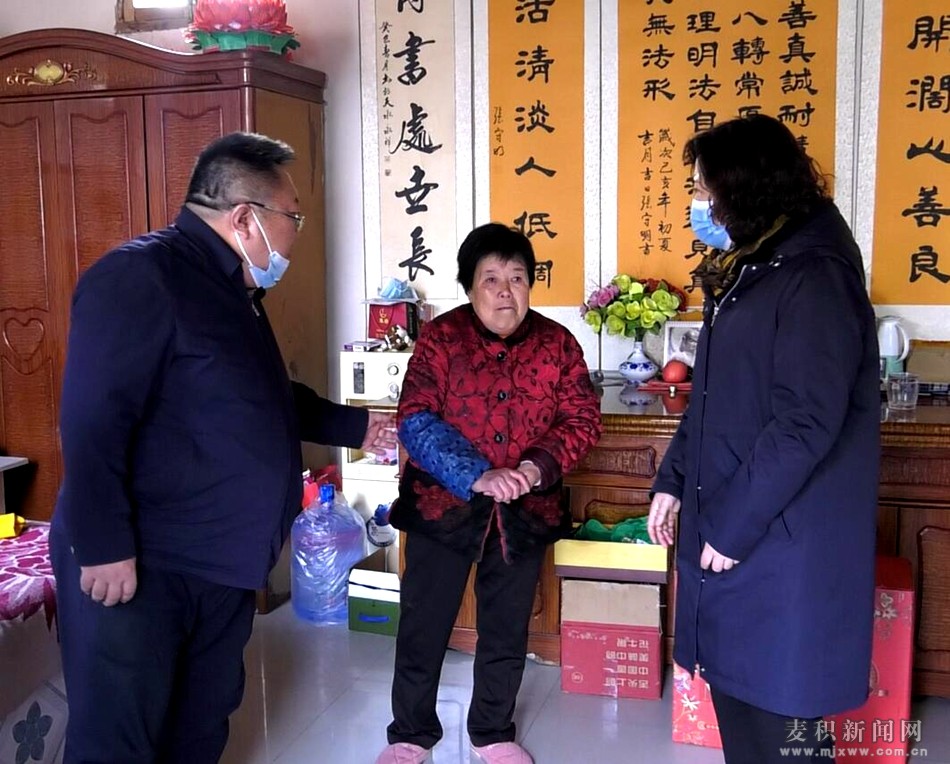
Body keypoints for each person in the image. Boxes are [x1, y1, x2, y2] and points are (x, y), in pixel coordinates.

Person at [50, 132, 395, 763]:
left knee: (200, 727)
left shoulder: (235, 292)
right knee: (120, 740)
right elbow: (92, 420)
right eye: (292, 217)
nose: (295, 233)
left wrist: (358, 428)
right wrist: (103, 545)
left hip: (220, 561)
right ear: (244, 219)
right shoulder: (141, 276)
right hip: (146, 562)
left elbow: (261, 396)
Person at [648, 114, 880, 764]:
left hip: (780, 546)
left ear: (745, 188)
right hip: (744, 535)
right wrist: (673, 479)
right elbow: (713, 396)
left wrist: (729, 528)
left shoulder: (815, 273)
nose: (700, 204)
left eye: (705, 190)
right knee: (742, 712)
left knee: (783, 728)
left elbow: (806, 421)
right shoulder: (756, 265)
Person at [375, 223, 602, 764]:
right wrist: (476, 473)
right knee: (424, 625)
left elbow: (581, 418)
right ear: (469, 286)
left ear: (531, 285)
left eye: (517, 278)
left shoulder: (558, 344)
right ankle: (410, 733)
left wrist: (534, 467)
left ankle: (492, 731)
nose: (505, 291)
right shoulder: (441, 339)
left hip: (525, 511)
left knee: (506, 627)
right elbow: (416, 417)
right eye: (491, 279)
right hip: (443, 508)